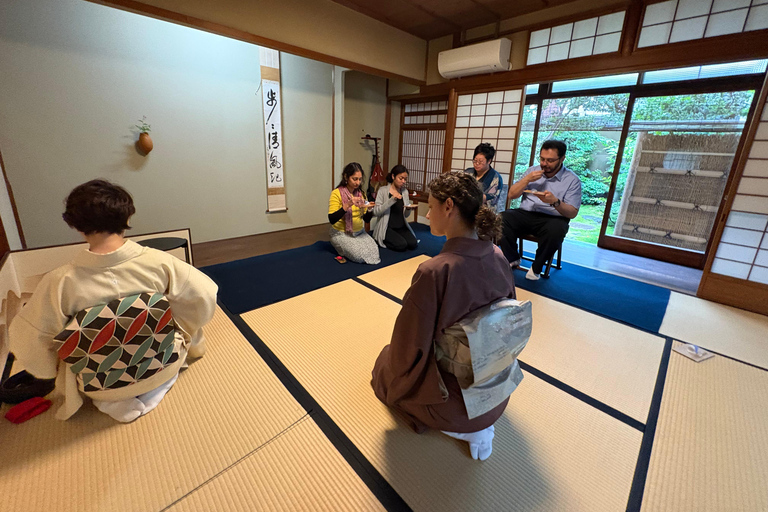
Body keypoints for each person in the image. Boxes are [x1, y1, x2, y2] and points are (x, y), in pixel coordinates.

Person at [9, 179, 218, 422]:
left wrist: (47, 368)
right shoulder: (159, 261)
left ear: (76, 226)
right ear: (127, 219)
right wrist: (181, 326)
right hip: (161, 363)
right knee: (181, 325)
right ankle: (154, 388)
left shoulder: (59, 282)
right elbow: (204, 295)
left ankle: (114, 401)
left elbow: (29, 338)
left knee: (61, 351)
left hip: (102, 382)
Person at [371, 172, 522, 461]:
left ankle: (464, 428)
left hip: (456, 404)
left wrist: (396, 371)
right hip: (497, 393)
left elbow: (408, 348)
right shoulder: (498, 255)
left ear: (449, 207)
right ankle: (479, 425)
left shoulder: (435, 271)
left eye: (432, 206)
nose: (428, 213)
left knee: (386, 363)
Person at [499, 140, 582, 281]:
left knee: (557, 229)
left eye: (550, 160)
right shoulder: (532, 171)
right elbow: (512, 195)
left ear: (562, 159)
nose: (544, 163)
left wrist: (555, 202)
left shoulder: (572, 180)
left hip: (552, 218)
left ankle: (537, 267)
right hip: (526, 213)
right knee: (502, 217)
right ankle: (512, 258)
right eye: (542, 159)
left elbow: (572, 213)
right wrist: (526, 180)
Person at [328, 162, 380, 264]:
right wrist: (348, 204)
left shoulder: (361, 194)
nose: (357, 182)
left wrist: (369, 209)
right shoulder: (337, 193)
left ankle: (350, 246)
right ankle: (340, 247)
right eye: (354, 179)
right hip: (341, 233)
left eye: (360, 179)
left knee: (374, 253)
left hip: (359, 232)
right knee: (359, 256)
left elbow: (366, 219)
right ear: (346, 177)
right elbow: (332, 219)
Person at [371, 165, 418, 252]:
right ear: (393, 176)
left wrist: (408, 209)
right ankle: (381, 239)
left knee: (413, 244)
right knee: (402, 245)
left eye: (405, 179)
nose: (403, 181)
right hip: (387, 227)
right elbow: (376, 212)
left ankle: (397, 238)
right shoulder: (383, 190)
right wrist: (392, 200)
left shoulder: (404, 192)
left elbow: (406, 216)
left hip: (401, 226)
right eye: (401, 178)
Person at [465, 142, 504, 212]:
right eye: (475, 160)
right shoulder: (468, 172)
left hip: (483, 213)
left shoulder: (496, 178)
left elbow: (491, 200)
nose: (477, 164)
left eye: (480, 162)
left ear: (489, 161)